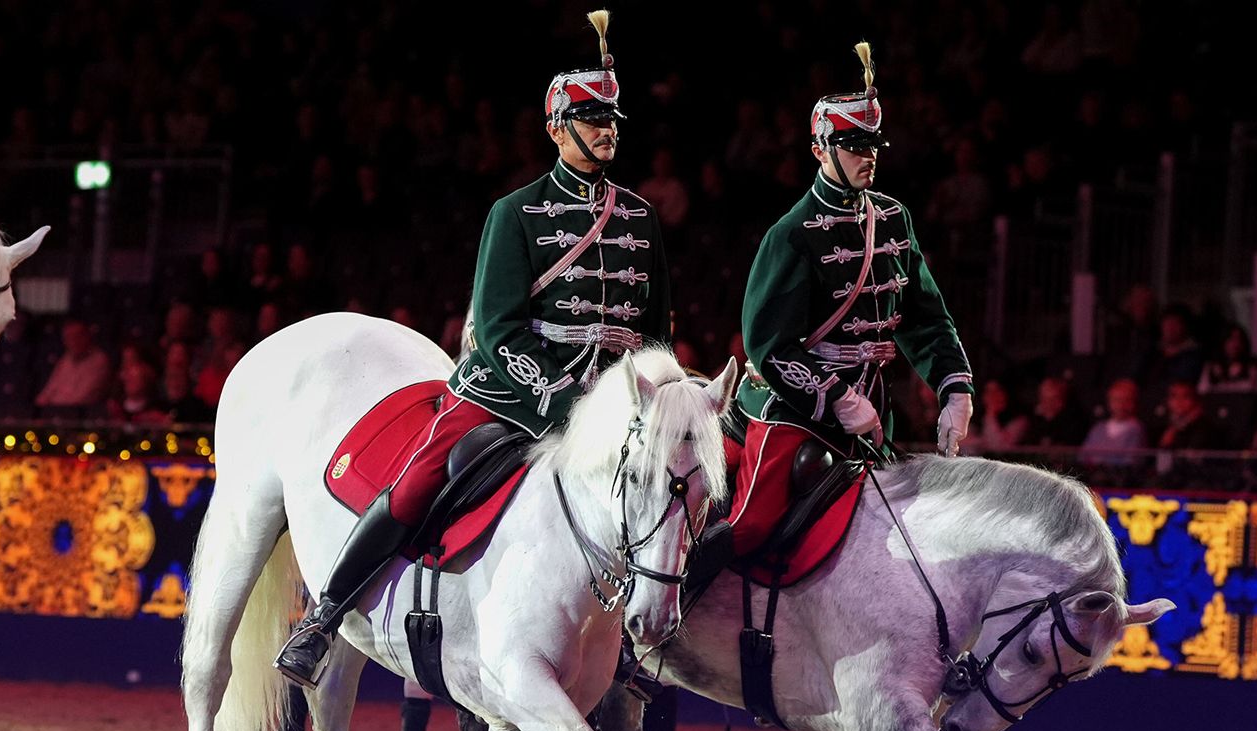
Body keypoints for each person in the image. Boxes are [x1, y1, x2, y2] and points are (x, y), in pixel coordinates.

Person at [274, 11, 671, 687]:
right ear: (556, 128)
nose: (606, 132)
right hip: (512, 394)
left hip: (614, 410)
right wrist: (567, 403)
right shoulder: (515, 213)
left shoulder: (640, 217)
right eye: (591, 120)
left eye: (612, 121)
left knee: (680, 489)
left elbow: (656, 329)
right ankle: (326, 610)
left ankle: (648, 638)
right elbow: (497, 330)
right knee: (428, 471)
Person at [719, 42, 974, 557]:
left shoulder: (894, 218)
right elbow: (767, 347)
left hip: (873, 407)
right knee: (751, 530)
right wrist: (836, 396)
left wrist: (955, 388)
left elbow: (925, 317)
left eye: (873, 146)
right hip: (794, 408)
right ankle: (668, 630)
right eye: (853, 146)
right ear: (820, 149)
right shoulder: (792, 234)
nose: (868, 156)